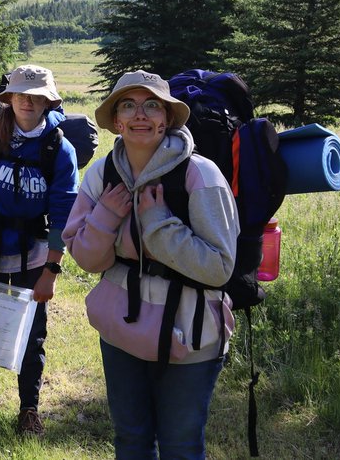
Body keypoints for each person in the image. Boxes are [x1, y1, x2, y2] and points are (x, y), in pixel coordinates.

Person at [64, 70, 237, 459]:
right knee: (130, 439)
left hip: (190, 335)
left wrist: (159, 224)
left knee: (180, 445)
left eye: (152, 105)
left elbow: (220, 267)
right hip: (120, 332)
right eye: (129, 105)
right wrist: (107, 214)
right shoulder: (102, 173)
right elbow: (88, 260)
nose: (141, 114)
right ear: (117, 121)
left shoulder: (201, 175)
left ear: (167, 118)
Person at [0, 65, 79, 435]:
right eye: (21, 93)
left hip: (34, 249)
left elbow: (63, 212)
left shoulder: (59, 148)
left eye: (36, 95)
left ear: (47, 100)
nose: (27, 100)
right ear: (9, 98)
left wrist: (51, 271)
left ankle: (29, 408)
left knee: (33, 331)